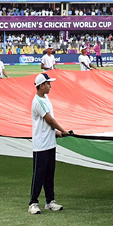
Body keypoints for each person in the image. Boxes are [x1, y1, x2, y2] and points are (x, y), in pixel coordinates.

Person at [30, 73, 72, 214]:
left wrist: (56, 133)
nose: (50, 86)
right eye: (48, 83)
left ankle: (50, 201)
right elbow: (49, 120)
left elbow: (47, 124)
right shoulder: (38, 101)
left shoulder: (46, 99)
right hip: (41, 144)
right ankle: (33, 203)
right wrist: (63, 130)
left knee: (49, 174)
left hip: (50, 142)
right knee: (38, 174)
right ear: (41, 85)